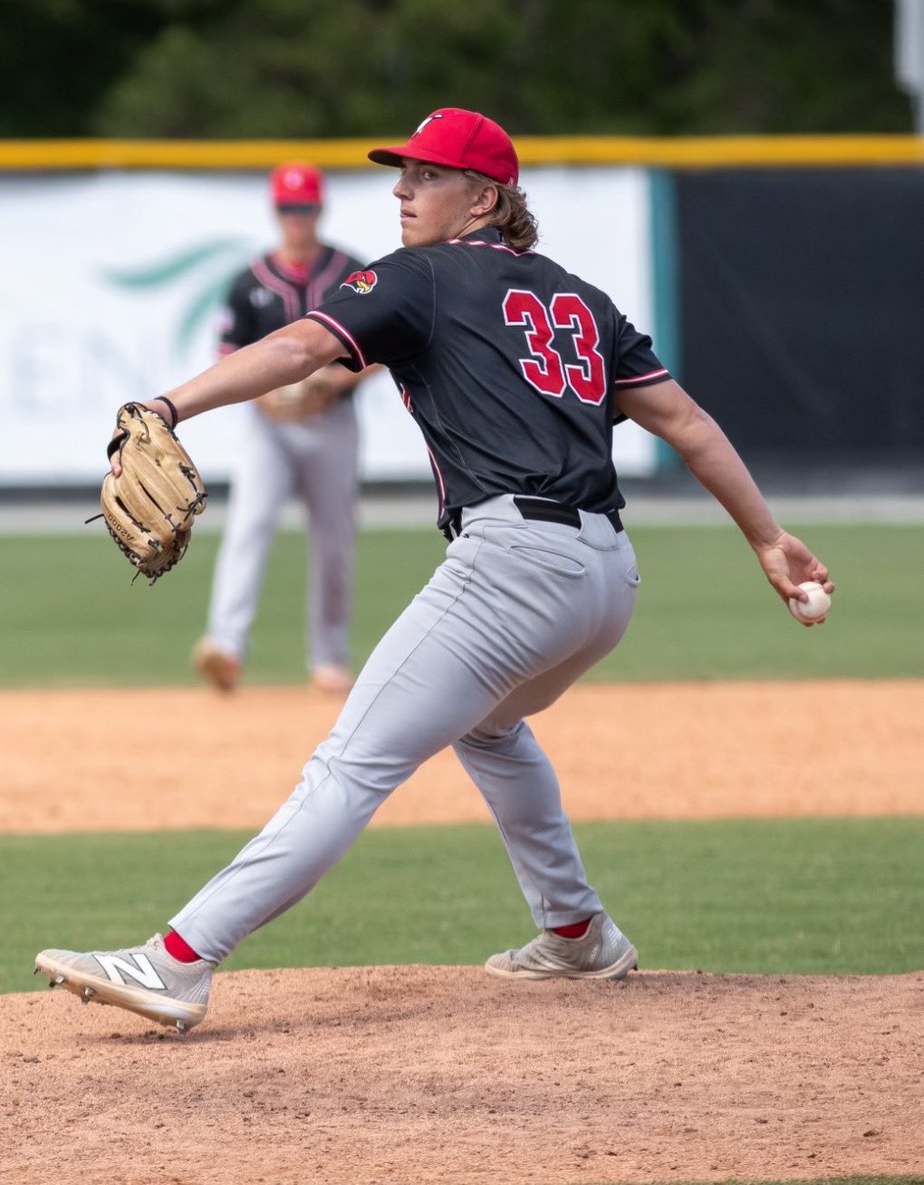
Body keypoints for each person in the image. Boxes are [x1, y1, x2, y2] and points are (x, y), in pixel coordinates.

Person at [35, 108, 834, 1034]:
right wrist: (768, 539)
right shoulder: (584, 298)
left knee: (349, 765)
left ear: (484, 197)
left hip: (512, 567)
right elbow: (687, 423)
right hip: (607, 580)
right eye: (401, 174)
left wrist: (171, 404)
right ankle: (577, 933)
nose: (402, 191)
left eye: (425, 176)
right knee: (490, 729)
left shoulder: (420, 277)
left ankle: (176, 962)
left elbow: (301, 347)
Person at [192, 162, 370, 695]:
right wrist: (267, 391)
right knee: (248, 529)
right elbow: (228, 354)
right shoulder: (250, 282)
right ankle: (226, 645)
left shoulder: (352, 274)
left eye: (305, 207)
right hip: (267, 428)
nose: (297, 218)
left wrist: (335, 382)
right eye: (288, 208)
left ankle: (330, 657)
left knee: (335, 540)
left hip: (332, 422)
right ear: (276, 211)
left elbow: (389, 343)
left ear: (320, 209)